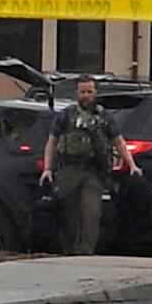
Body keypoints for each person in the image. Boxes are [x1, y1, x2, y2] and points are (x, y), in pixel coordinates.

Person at [40, 75, 129, 256]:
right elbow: (52, 142)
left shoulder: (104, 116)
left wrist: (132, 165)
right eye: (83, 92)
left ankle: (86, 253)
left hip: (93, 170)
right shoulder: (66, 115)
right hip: (68, 169)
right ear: (77, 93)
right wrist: (47, 169)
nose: (86, 95)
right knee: (68, 212)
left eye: (90, 91)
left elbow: (118, 141)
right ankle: (69, 251)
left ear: (95, 92)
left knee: (91, 212)